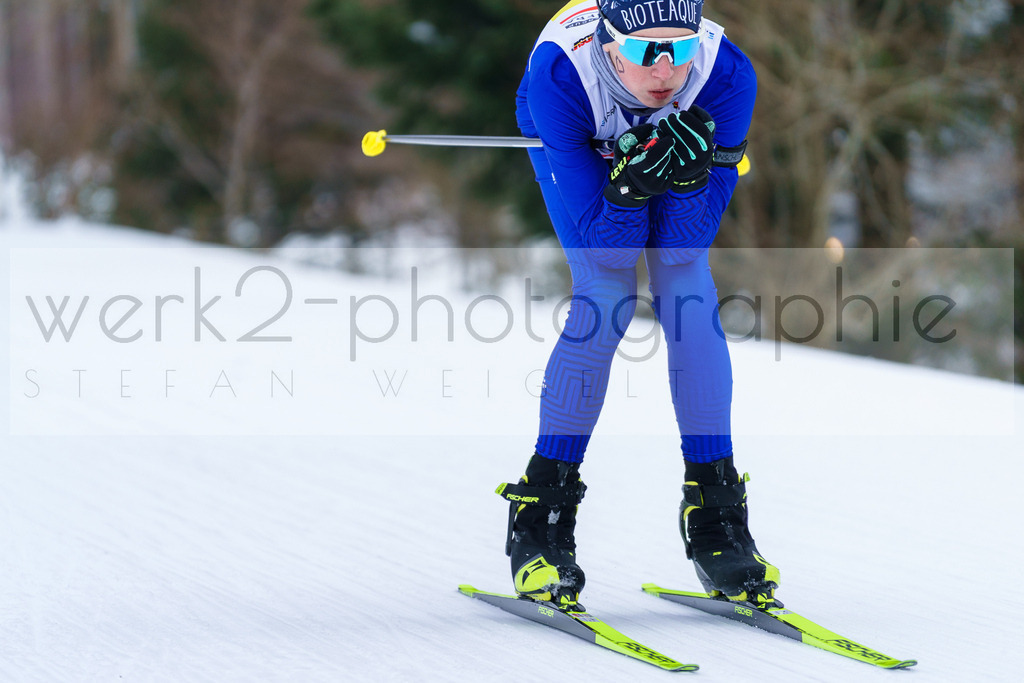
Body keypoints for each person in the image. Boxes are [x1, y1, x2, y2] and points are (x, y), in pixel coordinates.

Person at [497, 0, 779, 611]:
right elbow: (609, 248)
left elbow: (681, 247)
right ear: (607, 40)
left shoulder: (726, 76)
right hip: (580, 128)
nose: (664, 70)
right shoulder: (560, 77)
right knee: (606, 295)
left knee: (688, 291)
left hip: (664, 172)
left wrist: (685, 179)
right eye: (644, 50)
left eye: (678, 48)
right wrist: (628, 188)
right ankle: (540, 514)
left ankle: (716, 515)